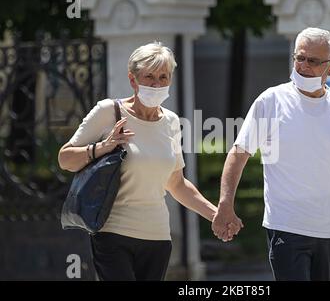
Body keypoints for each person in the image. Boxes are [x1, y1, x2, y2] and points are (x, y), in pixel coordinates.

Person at [212, 27, 330, 281]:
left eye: (312, 61)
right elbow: (239, 153)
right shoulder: (271, 101)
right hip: (286, 227)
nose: (303, 66)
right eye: (299, 57)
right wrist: (225, 204)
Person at [58, 42, 218, 281]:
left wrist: (217, 215)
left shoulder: (171, 122)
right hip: (113, 235)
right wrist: (104, 146)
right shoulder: (109, 112)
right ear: (133, 80)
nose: (156, 84)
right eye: (149, 77)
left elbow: (176, 184)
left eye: (163, 77)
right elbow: (65, 159)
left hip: (157, 238)